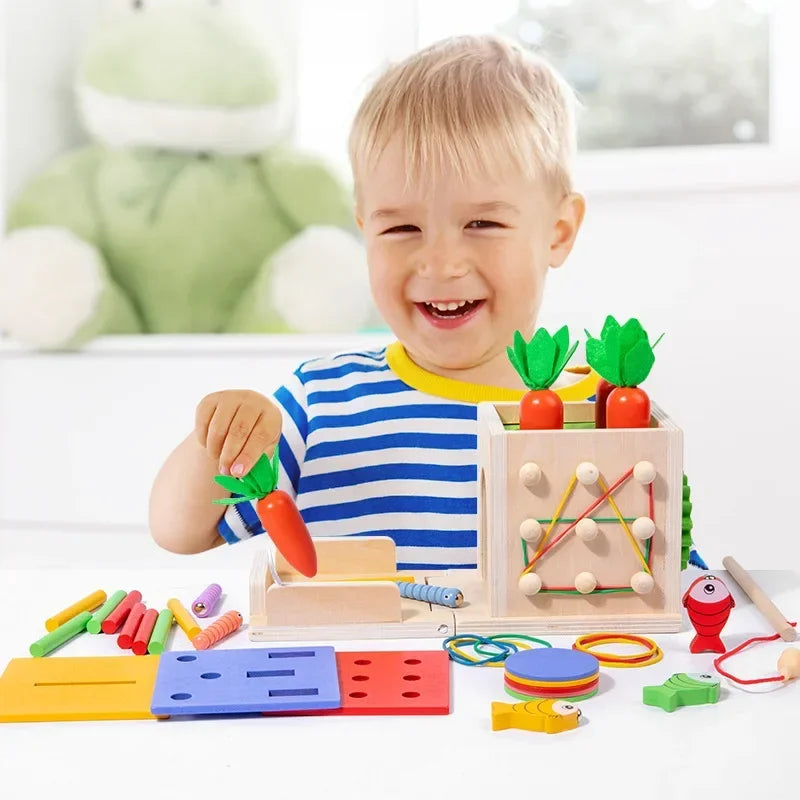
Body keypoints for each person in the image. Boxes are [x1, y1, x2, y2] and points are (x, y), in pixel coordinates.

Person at [149, 34, 589, 570]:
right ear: (365, 230)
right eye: (402, 227)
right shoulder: (322, 403)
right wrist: (215, 441)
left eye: (482, 223)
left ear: (558, 233)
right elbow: (179, 531)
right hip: (350, 656)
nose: (441, 263)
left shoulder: (603, 411)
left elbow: (658, 567)